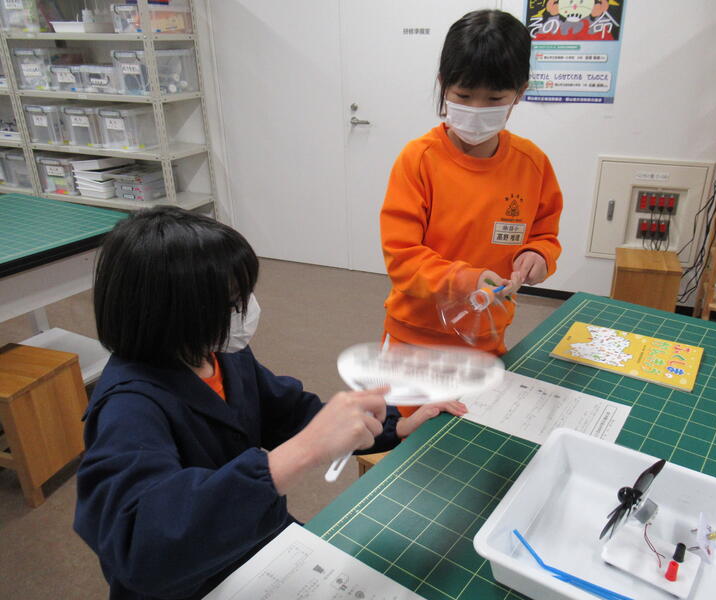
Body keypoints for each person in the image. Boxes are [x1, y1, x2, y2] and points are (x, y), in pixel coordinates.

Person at [74, 207, 464, 600]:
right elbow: (142, 547)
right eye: (231, 305)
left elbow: (288, 411)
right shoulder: (126, 408)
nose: (246, 311)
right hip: (193, 580)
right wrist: (296, 455)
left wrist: (392, 426)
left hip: (255, 541)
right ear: (172, 315)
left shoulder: (219, 353)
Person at [380, 9, 564, 416]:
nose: (477, 109)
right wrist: (467, 279)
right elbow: (402, 259)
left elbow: (544, 234)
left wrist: (537, 256)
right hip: (416, 340)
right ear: (443, 85)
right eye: (464, 96)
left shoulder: (531, 164)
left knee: (473, 432)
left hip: (486, 336)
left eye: (494, 99)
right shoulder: (419, 160)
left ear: (520, 92)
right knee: (408, 438)